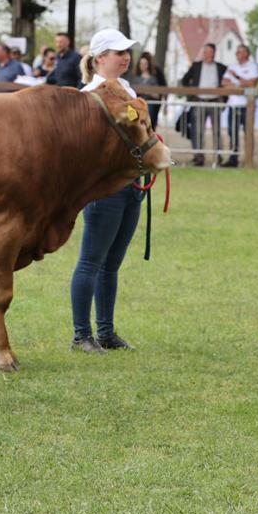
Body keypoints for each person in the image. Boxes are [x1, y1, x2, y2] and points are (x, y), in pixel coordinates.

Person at [69, 28, 145, 354]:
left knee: (111, 264)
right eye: (118, 52)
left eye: (127, 51)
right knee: (91, 261)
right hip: (105, 188)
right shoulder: (89, 95)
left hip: (131, 183)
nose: (125, 57)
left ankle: (106, 331)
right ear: (99, 58)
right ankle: (81, 335)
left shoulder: (126, 89)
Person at [180, 43, 228, 166]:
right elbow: (185, 80)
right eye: (205, 51)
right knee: (198, 130)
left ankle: (218, 157)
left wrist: (223, 99)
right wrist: (193, 92)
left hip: (215, 101)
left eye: (209, 51)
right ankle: (198, 157)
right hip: (199, 100)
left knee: (216, 130)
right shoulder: (196, 66)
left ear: (213, 53)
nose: (206, 53)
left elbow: (227, 83)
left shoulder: (221, 67)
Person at [222, 44, 258, 167]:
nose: (237, 54)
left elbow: (252, 83)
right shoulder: (232, 66)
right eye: (236, 52)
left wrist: (236, 78)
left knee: (248, 133)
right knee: (232, 132)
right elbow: (224, 83)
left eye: (240, 52)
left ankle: (249, 159)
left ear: (246, 54)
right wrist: (239, 85)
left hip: (247, 106)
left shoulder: (253, 66)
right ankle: (233, 159)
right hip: (233, 105)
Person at [132, 52, 167, 129]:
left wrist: (146, 91)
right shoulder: (135, 78)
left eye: (145, 63)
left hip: (150, 105)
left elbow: (158, 93)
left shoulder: (153, 77)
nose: (143, 66)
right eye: (141, 63)